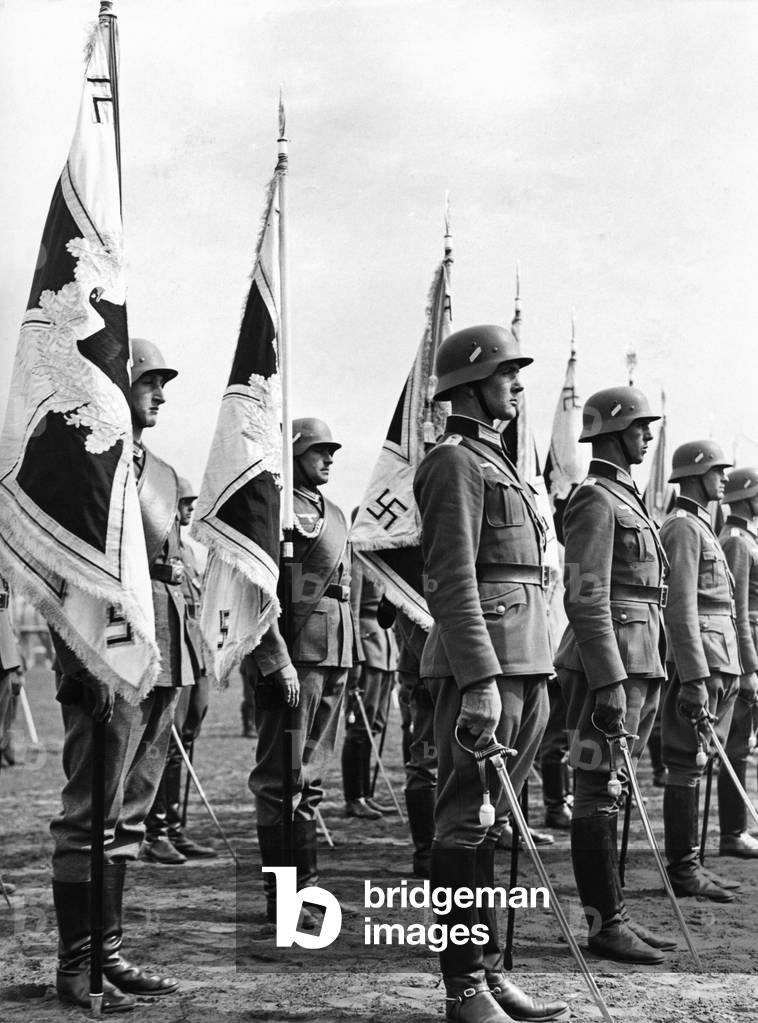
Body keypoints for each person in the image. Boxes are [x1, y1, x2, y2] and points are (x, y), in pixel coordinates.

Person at [414, 324, 568, 1023]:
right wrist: (478, 677)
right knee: (461, 822)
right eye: (507, 371)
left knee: (493, 821)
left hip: (527, 660)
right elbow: (450, 578)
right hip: (485, 667)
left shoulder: (500, 462)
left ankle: (490, 969)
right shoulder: (453, 461)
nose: (518, 382)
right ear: (469, 382)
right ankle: (463, 989)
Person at [49, 338, 186, 1009]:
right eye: (149, 381)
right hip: (106, 650)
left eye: (164, 383)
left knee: (128, 815)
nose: (160, 393)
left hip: (161, 655)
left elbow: (174, 568)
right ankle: (76, 964)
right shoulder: (84, 461)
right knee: (89, 813)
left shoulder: (159, 472)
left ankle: (108, 951)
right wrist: (84, 662)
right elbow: (60, 569)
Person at [554, 386, 674, 965]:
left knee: (615, 790)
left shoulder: (628, 497)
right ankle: (605, 924)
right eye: (640, 428)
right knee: (596, 790)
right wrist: (607, 679)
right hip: (606, 666)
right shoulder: (594, 499)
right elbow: (584, 592)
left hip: (641, 660)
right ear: (613, 430)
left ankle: (616, 916)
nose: (648, 438)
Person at [247, 417, 353, 927]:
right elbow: (256, 590)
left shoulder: (333, 513)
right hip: (297, 657)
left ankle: (307, 890)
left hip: (335, 655)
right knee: (280, 778)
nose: (328, 458)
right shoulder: (277, 510)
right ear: (293, 454)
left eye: (331, 450)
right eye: (317, 450)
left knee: (310, 779)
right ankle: (282, 899)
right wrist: (275, 657)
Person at [660, 440, 742, 901]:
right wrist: (693, 674)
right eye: (718, 470)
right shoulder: (683, 526)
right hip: (702, 664)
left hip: (720, 659)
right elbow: (680, 606)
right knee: (685, 765)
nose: (724, 479)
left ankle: (695, 863)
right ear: (695, 472)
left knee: (701, 763)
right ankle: (684, 869)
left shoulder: (702, 526)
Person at [142, 477, 216, 863]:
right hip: (170, 653)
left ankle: (175, 825)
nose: (189, 510)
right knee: (165, 745)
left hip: (194, 655)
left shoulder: (191, 551)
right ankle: (155, 831)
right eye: (184, 503)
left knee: (185, 744)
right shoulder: (156, 549)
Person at [717, 467, 758, 857]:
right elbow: (739, 610)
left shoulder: (746, 537)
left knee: (746, 740)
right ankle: (732, 832)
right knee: (737, 742)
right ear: (747, 496)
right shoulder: (735, 541)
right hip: (748, 647)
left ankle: (740, 824)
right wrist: (748, 666)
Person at [341, 551, 399, 819]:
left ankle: (365, 795)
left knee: (374, 726)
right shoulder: (358, 562)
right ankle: (354, 798)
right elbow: (351, 610)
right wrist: (355, 657)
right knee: (359, 729)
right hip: (367, 650)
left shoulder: (381, 563)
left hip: (386, 651)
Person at [0, 575, 23, 769]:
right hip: (4, 657)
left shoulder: (6, 575)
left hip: (7, 654)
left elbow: (8, 619)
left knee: (9, 705)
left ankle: (5, 744)